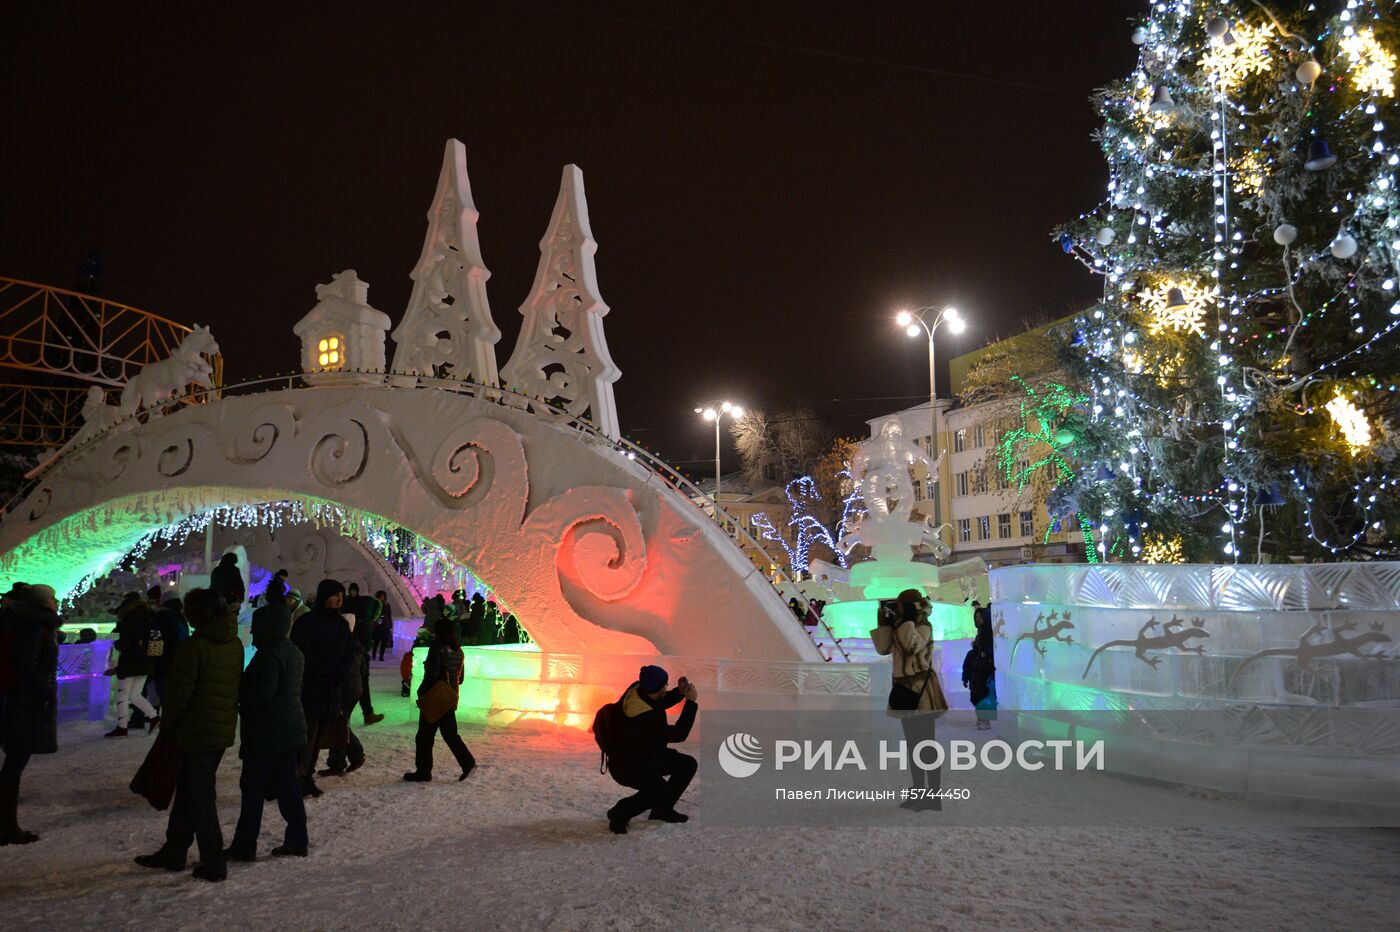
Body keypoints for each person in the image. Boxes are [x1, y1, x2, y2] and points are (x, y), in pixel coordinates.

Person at [134, 588, 242, 881]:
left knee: (201, 798)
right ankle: (175, 850)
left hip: (194, 732)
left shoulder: (194, 647)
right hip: (218, 731)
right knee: (190, 793)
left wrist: (168, 728)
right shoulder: (234, 644)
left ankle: (214, 861)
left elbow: (179, 696)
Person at [226, 584, 309, 861]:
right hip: (289, 729)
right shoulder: (293, 651)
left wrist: (239, 692)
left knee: (252, 789)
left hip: (267, 732)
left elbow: (261, 693)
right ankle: (298, 838)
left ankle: (244, 845)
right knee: (288, 788)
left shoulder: (269, 655)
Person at [872, 588, 948, 812]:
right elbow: (883, 649)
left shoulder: (923, 626)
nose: (899, 609)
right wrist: (885, 624)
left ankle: (933, 797)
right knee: (913, 745)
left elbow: (911, 646)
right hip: (905, 690)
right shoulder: (901, 626)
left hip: (921, 692)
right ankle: (918, 791)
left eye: (901, 606)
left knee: (926, 745)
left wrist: (904, 622)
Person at [604, 664, 698, 835]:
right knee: (659, 790)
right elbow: (679, 734)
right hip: (628, 766)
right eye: (666, 686)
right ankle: (619, 814)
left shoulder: (637, 690)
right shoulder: (646, 718)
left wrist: (679, 692)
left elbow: (658, 700)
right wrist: (690, 703)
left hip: (646, 755)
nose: (666, 688)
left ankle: (662, 810)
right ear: (658, 688)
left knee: (687, 764)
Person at [0, 583, 60, 845]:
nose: (56, 602)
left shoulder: (26, 623)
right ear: (42, 602)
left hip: (19, 699)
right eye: (52, 598)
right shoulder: (36, 627)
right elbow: (28, 664)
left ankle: (6, 825)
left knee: (15, 761)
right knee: (15, 761)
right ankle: (7, 826)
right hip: (24, 702)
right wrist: (45, 689)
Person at [290, 579, 353, 798]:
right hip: (312, 687)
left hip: (331, 689)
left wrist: (341, 673)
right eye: (335, 594)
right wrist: (322, 671)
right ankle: (296, 777)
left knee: (319, 738)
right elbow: (302, 653)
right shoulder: (307, 623)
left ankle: (307, 776)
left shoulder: (341, 625)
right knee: (306, 735)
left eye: (341, 595)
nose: (339, 599)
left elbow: (349, 653)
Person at [403, 618, 476, 783]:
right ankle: (467, 762)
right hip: (449, 697)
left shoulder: (437, 646)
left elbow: (432, 675)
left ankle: (423, 771)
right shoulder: (458, 650)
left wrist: (422, 693)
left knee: (424, 736)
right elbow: (461, 678)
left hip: (435, 698)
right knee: (450, 734)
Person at [106, 598, 159, 737]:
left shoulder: (128, 622)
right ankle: (154, 718)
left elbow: (126, 645)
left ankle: (121, 727)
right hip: (146, 663)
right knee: (135, 694)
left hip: (130, 664)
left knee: (123, 695)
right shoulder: (150, 622)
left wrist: (117, 644)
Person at [320, 635, 367, 778]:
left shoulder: (342, 646)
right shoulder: (356, 646)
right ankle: (339, 761)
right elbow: (363, 670)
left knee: (338, 723)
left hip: (344, 689)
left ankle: (353, 756)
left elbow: (340, 672)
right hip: (353, 688)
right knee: (340, 722)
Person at [342, 584, 384, 726]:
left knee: (361, 685)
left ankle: (366, 713)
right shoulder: (353, 615)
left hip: (359, 654)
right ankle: (347, 717)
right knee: (356, 686)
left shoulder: (362, 619)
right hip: (353, 656)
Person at [148, 597, 189, 712]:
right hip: (177, 659)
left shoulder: (161, 617)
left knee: (158, 689)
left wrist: (152, 658)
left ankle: (154, 716)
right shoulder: (180, 618)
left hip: (162, 660)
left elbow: (156, 640)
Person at [963, 602, 997, 731]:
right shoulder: (981, 631)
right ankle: (981, 717)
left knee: (984, 692)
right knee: (978, 691)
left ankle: (984, 719)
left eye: (980, 617)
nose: (978, 620)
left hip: (986, 666)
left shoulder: (988, 632)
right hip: (979, 665)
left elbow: (990, 649)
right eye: (976, 617)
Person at [372, 591, 393, 661]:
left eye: (383, 596)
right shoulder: (376, 604)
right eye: (380, 596)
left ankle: (381, 656)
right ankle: (374, 655)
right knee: (376, 641)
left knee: (384, 641)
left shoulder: (387, 605)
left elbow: (389, 616)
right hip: (378, 625)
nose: (382, 598)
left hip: (385, 625)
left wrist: (390, 625)